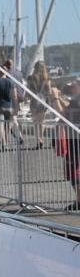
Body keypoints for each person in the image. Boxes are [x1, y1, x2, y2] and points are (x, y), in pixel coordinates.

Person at [0, 68, 22, 149]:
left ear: (0, 72)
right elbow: (14, 96)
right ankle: (16, 136)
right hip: (9, 107)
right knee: (9, 124)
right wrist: (16, 106)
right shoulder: (11, 82)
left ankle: (4, 143)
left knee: (1, 124)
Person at [60, 81, 80, 211]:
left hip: (76, 140)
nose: (71, 87)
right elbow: (66, 111)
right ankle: (78, 200)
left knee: (74, 172)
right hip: (73, 140)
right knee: (72, 172)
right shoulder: (75, 100)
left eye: (74, 85)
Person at [26, 61, 54, 149]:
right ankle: (41, 139)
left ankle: (38, 140)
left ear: (34, 67)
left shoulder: (30, 78)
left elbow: (27, 92)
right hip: (43, 102)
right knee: (41, 122)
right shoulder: (47, 79)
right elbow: (49, 92)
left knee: (35, 123)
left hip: (34, 102)